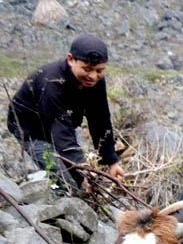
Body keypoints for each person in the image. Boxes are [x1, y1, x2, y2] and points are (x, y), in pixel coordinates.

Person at [6, 35, 126, 191]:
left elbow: (100, 119)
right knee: (65, 183)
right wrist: (85, 170)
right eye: (86, 69)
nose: (92, 76)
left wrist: (111, 161)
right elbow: (61, 133)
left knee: (80, 178)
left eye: (99, 70)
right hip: (31, 130)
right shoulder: (52, 82)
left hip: (63, 124)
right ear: (71, 59)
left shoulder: (95, 81)